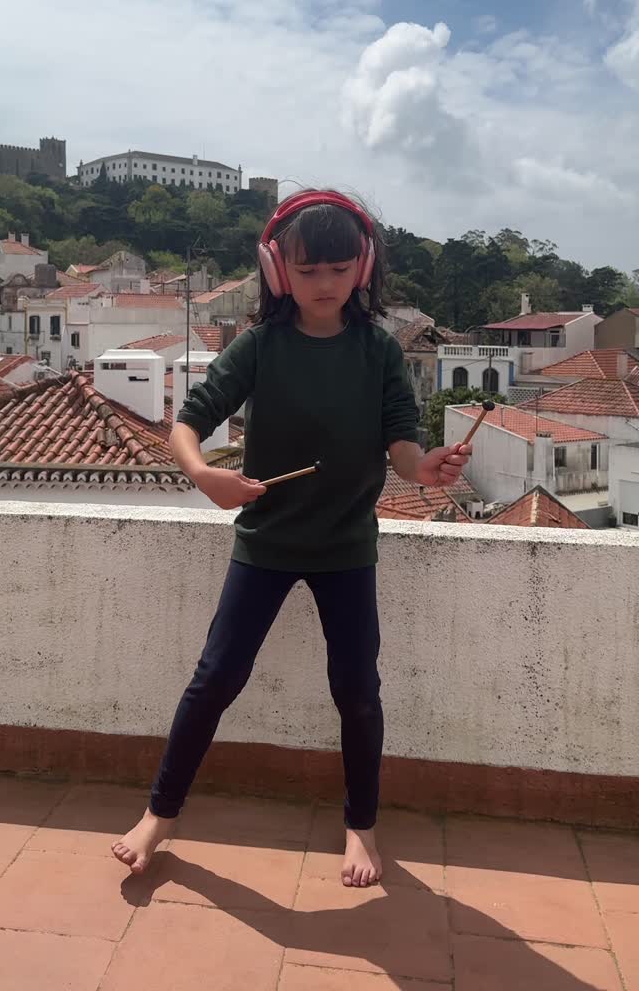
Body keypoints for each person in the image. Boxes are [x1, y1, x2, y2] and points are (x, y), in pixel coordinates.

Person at [112, 190, 471, 887]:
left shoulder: (378, 352)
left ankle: (361, 827)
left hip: (346, 548)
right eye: (308, 271)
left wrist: (423, 466)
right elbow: (188, 424)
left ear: (361, 268)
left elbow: (402, 443)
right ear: (279, 271)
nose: (325, 283)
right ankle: (160, 814)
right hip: (266, 542)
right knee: (214, 679)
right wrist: (201, 476)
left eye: (339, 269)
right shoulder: (260, 346)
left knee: (357, 691)